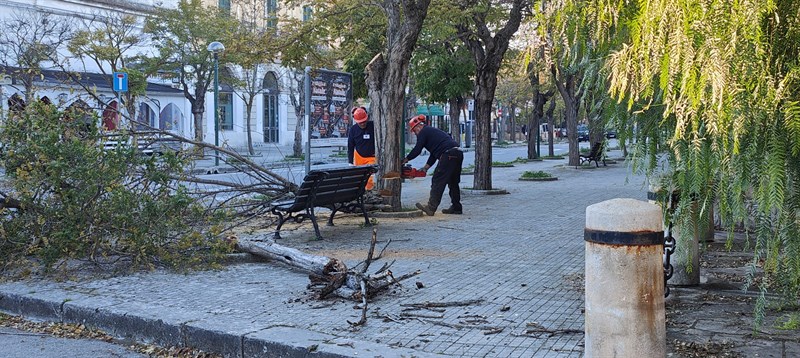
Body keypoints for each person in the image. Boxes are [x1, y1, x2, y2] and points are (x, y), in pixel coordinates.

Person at [402, 114, 464, 216]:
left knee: (437, 180)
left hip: (448, 155)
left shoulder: (424, 132)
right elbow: (435, 153)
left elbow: (417, 149)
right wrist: (426, 168)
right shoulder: (431, 132)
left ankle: (431, 207)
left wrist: (406, 159)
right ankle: (456, 207)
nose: (415, 133)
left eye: (414, 131)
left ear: (418, 126)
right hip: (457, 153)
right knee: (453, 182)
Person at [347, 107, 375, 190]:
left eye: (364, 121)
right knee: (359, 178)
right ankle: (361, 192)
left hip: (372, 157)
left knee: (370, 177)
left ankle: (369, 191)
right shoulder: (353, 130)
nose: (362, 124)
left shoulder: (373, 126)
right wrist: (350, 162)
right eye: (360, 122)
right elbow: (350, 146)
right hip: (359, 156)